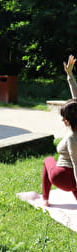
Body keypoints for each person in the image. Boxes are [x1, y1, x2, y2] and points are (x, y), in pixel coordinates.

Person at [41, 54, 77, 206]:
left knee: (47, 160)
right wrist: (69, 75)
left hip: (62, 178)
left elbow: (76, 163)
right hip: (72, 180)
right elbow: (76, 100)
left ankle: (45, 200)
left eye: (65, 118)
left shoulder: (72, 138)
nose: (63, 120)